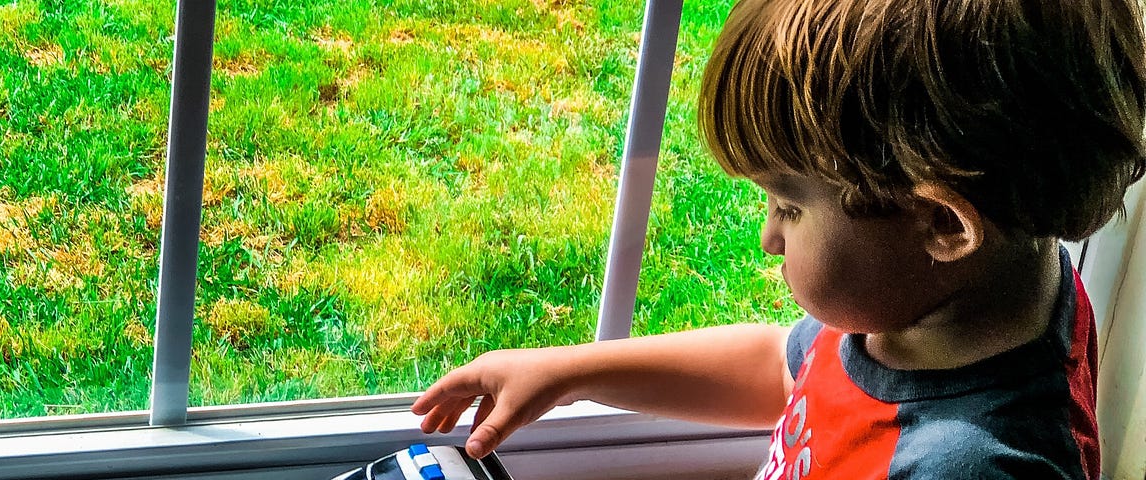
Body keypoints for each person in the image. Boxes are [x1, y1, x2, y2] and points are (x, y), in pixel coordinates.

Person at [411, 0, 1146, 478]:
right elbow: (785, 367)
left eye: (788, 206)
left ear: (943, 224)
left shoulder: (970, 464)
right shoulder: (942, 305)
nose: (767, 238)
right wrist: (569, 371)